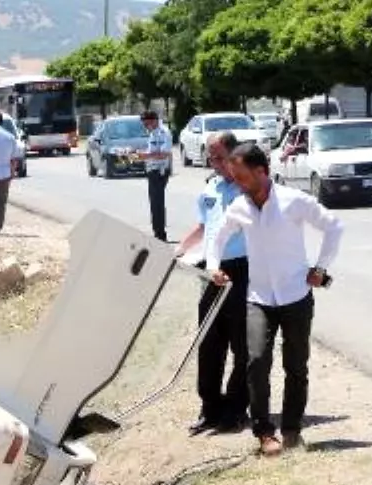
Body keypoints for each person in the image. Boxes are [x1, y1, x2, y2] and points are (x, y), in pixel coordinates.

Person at [207, 144, 343, 457]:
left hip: (296, 296)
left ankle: (292, 429)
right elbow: (217, 236)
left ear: (261, 171)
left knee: (296, 366)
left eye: (241, 176)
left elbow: (334, 226)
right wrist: (214, 266)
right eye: (234, 176)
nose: (237, 182)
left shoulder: (293, 201)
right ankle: (264, 433)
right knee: (255, 363)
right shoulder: (239, 207)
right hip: (259, 298)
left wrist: (321, 268)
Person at [174, 131, 248, 436]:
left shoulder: (248, 188)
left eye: (219, 157)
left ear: (234, 156)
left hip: (243, 269)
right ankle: (210, 407)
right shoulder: (211, 188)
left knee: (242, 344)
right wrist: (179, 249)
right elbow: (203, 226)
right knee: (209, 340)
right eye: (211, 157)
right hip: (211, 269)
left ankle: (235, 409)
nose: (213, 163)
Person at [140, 110, 172, 242]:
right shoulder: (153, 132)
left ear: (153, 120)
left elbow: (165, 153)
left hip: (160, 171)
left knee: (157, 202)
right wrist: (140, 154)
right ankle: (157, 232)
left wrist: (146, 156)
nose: (145, 126)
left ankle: (160, 234)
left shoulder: (164, 132)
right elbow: (152, 151)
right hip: (152, 169)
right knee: (154, 203)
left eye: (146, 123)